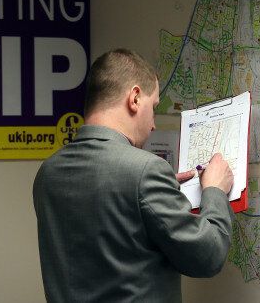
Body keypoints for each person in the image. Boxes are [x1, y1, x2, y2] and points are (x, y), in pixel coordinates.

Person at [33, 49, 234, 302]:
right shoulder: (145, 171)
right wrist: (214, 190)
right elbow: (208, 256)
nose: (153, 124)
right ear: (135, 98)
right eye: (154, 107)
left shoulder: (48, 172)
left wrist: (153, 189)